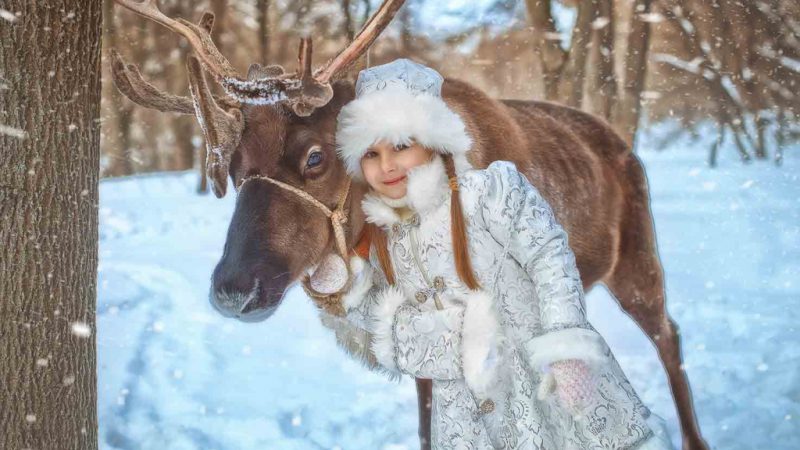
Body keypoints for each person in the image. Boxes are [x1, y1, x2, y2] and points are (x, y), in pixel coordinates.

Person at [314, 58, 675, 449]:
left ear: (434, 140)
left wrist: (565, 343)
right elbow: (396, 328)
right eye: (370, 154)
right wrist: (345, 297)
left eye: (401, 145)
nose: (386, 166)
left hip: (545, 384)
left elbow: (549, 258)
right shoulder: (386, 237)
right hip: (466, 419)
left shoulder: (491, 192)